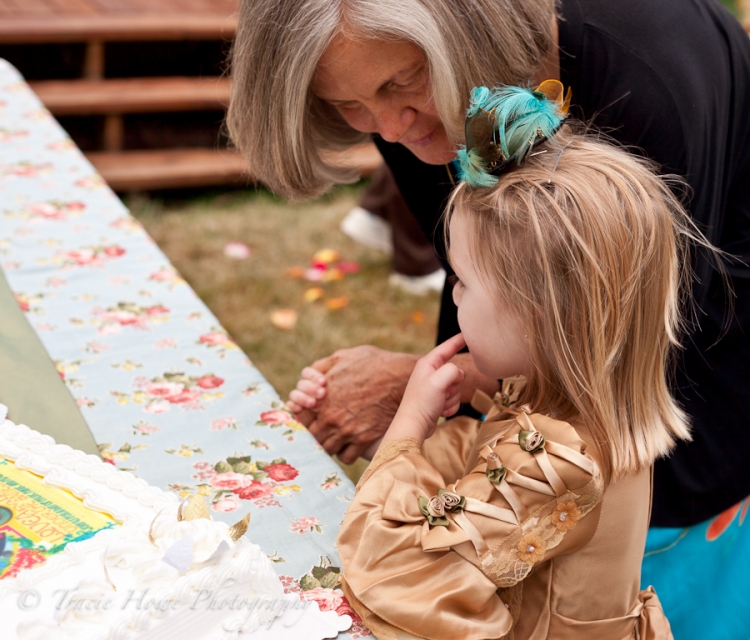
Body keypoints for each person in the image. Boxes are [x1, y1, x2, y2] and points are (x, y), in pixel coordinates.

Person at [227, 0, 750, 633]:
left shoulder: (560, 458)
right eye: (348, 105)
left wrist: (412, 408)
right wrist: (454, 396)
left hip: (707, 403)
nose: (389, 128)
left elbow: (400, 568)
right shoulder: (400, 94)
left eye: (401, 84)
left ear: (468, 28)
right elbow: (482, 268)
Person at [337, 83, 689, 638]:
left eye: (464, 282)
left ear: (537, 317)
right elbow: (478, 472)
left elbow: (398, 574)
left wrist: (408, 429)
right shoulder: (567, 402)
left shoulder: (559, 460)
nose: (452, 297)